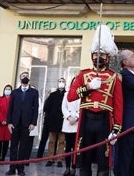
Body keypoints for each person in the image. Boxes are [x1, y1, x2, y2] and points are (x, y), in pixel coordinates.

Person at [67, 24, 123, 176]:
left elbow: (118, 106)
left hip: (104, 121)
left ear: (108, 57)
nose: (98, 57)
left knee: (103, 161)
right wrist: (88, 87)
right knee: (84, 161)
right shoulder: (83, 75)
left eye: (102, 55)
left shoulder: (115, 77)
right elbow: (70, 96)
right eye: (96, 54)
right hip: (87, 120)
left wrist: (116, 129)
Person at [5, 71, 39, 176]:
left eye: (27, 76)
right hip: (15, 123)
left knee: (23, 147)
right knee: (14, 146)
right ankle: (12, 168)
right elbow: (10, 109)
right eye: (23, 76)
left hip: (26, 123)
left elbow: (35, 108)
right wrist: (9, 122)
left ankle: (21, 169)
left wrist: (33, 123)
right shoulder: (14, 92)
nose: (25, 77)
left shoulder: (34, 92)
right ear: (20, 78)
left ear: (29, 78)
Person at [41, 78, 67, 167]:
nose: (61, 83)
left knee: (62, 142)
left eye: (63, 82)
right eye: (59, 81)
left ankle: (59, 159)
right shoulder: (52, 95)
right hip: (53, 122)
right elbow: (46, 107)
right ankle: (50, 159)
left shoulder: (67, 95)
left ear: (65, 83)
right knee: (52, 141)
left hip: (63, 122)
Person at [61, 78, 80, 176]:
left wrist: (76, 117)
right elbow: (63, 107)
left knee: (76, 148)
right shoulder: (66, 94)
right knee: (68, 147)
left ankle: (74, 167)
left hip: (77, 124)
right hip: (68, 123)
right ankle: (67, 167)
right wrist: (69, 117)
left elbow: (82, 108)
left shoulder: (82, 94)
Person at [0, 84, 12, 162]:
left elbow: (12, 110)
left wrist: (7, 120)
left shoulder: (12, 99)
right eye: (6, 89)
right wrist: (2, 119)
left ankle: (3, 157)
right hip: (0, 122)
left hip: (8, 122)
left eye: (9, 89)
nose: (7, 90)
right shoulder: (0, 98)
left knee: (6, 141)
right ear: (4, 90)